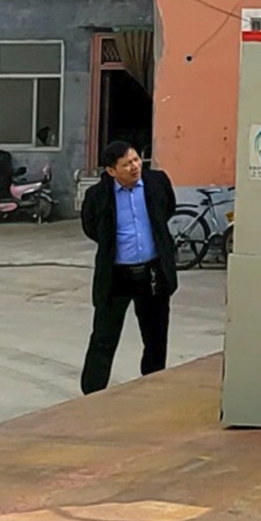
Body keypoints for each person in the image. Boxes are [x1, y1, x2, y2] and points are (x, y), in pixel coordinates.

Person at [78, 141, 180, 394]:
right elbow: (91, 227)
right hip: (116, 275)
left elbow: (167, 209)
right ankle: (92, 393)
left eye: (135, 160)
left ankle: (152, 386)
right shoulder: (98, 195)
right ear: (111, 171)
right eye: (126, 164)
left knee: (156, 336)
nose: (135, 167)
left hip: (152, 272)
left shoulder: (157, 182)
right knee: (104, 337)